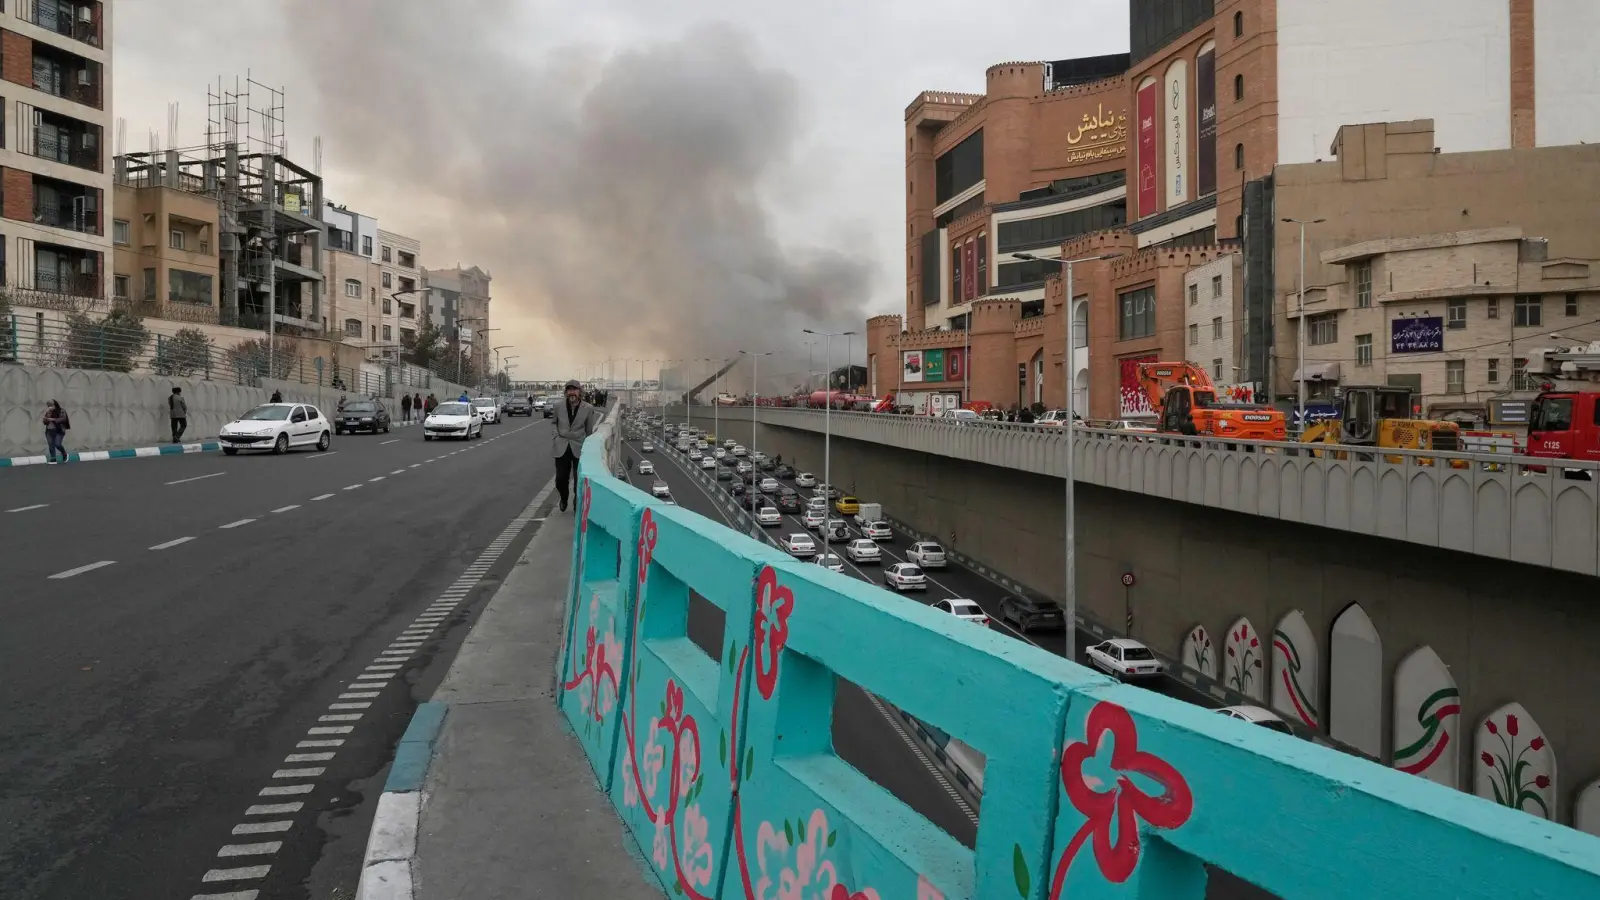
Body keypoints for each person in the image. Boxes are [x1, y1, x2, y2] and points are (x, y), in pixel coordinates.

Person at [552, 379, 601, 512]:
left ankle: (576, 502)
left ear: (580, 392)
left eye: (575, 389)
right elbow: (554, 423)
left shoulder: (588, 408)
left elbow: (589, 430)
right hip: (561, 446)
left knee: (578, 480)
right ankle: (564, 497)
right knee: (560, 479)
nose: (572, 392)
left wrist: (589, 448)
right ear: (566, 392)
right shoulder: (558, 406)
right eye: (569, 389)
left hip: (579, 447)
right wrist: (556, 437)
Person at [42, 400, 69, 464]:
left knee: (57, 444)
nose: (50, 407)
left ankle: (64, 454)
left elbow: (63, 419)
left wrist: (53, 419)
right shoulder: (48, 412)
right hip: (49, 430)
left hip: (59, 430)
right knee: (51, 445)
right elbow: (44, 422)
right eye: (48, 406)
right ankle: (53, 459)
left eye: (51, 405)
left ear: (55, 405)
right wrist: (46, 419)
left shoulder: (61, 410)